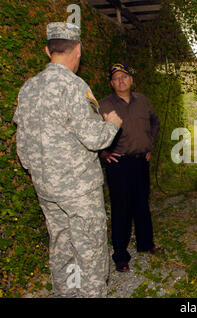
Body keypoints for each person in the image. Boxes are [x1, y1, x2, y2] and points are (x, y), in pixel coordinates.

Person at [13, 22, 123, 297]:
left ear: (47, 50)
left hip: (46, 188)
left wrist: (40, 172)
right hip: (78, 190)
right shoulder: (74, 86)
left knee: (62, 245)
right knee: (90, 249)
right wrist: (111, 124)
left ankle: (67, 292)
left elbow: (22, 146)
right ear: (78, 49)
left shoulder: (28, 88)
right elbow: (93, 139)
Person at [99, 63, 163, 273]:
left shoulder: (142, 100)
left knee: (142, 204)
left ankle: (146, 243)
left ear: (131, 80)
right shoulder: (104, 105)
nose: (121, 81)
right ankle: (120, 255)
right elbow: (94, 132)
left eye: (124, 76)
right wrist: (104, 152)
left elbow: (155, 122)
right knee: (121, 209)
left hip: (140, 161)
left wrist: (149, 144)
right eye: (116, 78)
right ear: (111, 83)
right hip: (119, 165)